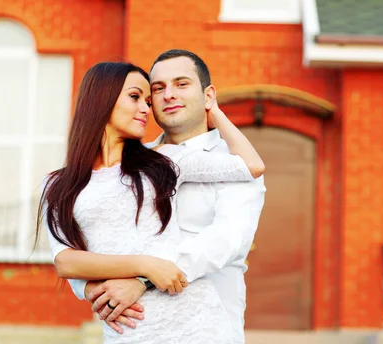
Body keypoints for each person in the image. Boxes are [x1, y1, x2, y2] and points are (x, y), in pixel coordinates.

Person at [37, 61, 265, 344]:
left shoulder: (163, 161)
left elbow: (250, 166)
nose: (147, 108)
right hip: (127, 326)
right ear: (102, 98)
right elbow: (66, 261)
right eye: (137, 97)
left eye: (148, 100)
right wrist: (139, 267)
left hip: (194, 321)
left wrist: (215, 113)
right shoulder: (57, 185)